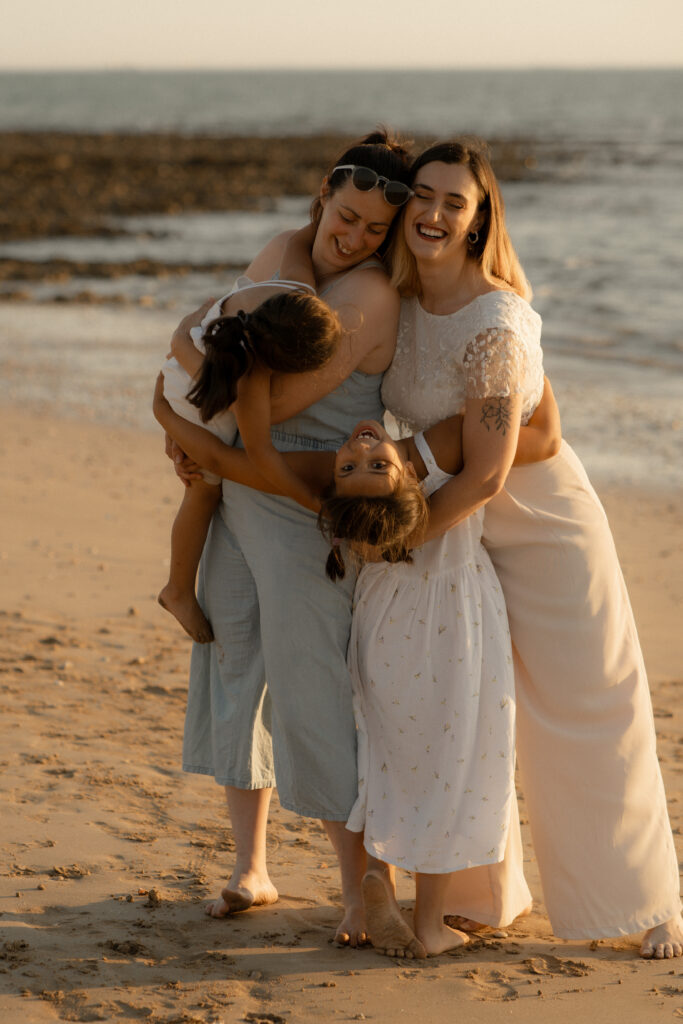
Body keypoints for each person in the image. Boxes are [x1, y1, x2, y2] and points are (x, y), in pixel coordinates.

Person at [380, 136, 682, 959]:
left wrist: (394, 540)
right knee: (476, 715)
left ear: (478, 224)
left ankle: (649, 897)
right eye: (424, 196)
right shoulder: (392, 305)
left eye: (455, 203)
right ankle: (485, 894)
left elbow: (486, 475)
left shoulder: (497, 318)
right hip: (463, 540)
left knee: (589, 709)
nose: (434, 213)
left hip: (543, 534)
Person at [166, 130, 415, 945]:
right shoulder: (284, 247)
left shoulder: (370, 294)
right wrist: (197, 408)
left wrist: (180, 373)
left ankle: (358, 888)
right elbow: (224, 366)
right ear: (323, 193)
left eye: (375, 229)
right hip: (239, 487)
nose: (355, 237)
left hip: (298, 490)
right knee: (236, 657)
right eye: (347, 216)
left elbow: (245, 397)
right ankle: (252, 867)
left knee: (313, 690)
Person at [158, 268, 341, 644]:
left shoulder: (246, 319)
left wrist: (190, 324)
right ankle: (177, 588)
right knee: (203, 489)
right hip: (185, 407)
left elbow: (183, 336)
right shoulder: (249, 382)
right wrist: (310, 501)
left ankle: (178, 587)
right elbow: (263, 456)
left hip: (177, 381)